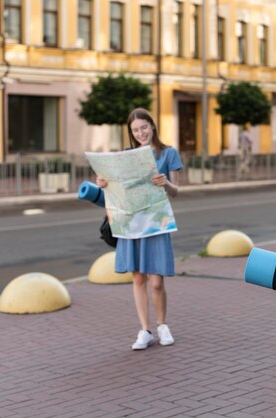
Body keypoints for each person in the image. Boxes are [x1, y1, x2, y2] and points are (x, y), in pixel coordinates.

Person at [96, 108, 183, 350]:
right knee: (137, 278)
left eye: (144, 127)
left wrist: (166, 182)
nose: (140, 132)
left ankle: (162, 324)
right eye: (135, 130)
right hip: (132, 223)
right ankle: (144, 329)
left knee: (156, 281)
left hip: (156, 222)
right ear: (131, 133)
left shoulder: (168, 153)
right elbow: (116, 191)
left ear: (152, 126)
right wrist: (103, 184)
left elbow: (178, 192)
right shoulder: (124, 156)